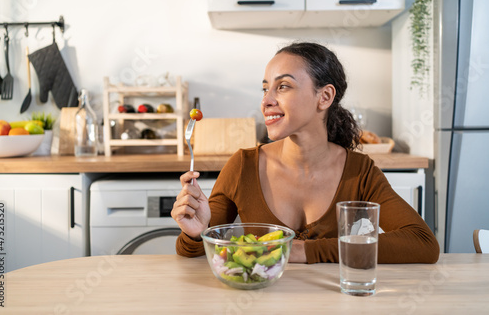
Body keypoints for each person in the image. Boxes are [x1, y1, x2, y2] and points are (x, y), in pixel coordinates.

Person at [171, 42, 440, 264]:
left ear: (324, 97)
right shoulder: (243, 165)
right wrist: (196, 234)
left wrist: (303, 250)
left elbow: (422, 243)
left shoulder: (359, 171)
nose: (266, 101)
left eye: (283, 86)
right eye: (265, 89)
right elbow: (193, 253)